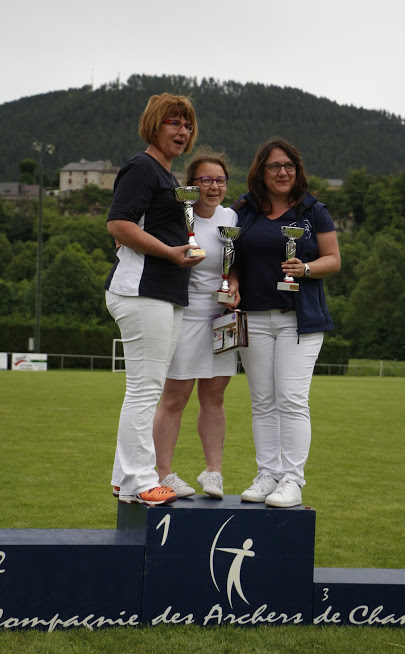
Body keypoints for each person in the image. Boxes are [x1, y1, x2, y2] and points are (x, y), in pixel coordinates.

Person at [105, 93, 205, 506]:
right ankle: (141, 482)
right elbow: (119, 225)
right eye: (173, 123)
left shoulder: (167, 176)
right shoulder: (142, 168)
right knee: (145, 391)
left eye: (186, 125)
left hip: (163, 293)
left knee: (145, 388)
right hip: (141, 290)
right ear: (153, 125)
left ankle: (124, 479)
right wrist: (168, 252)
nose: (181, 131)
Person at [230, 138, 341, 508]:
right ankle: (268, 474)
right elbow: (232, 259)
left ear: (298, 170)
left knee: (292, 400)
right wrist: (231, 282)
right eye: (274, 166)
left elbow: (333, 260)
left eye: (289, 166)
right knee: (262, 401)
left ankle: (292, 480)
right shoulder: (245, 210)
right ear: (261, 171)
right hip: (254, 319)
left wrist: (305, 268)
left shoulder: (313, 211)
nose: (282, 172)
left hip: (300, 320)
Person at [152, 148, 239, 499]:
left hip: (221, 318)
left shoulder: (232, 216)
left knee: (214, 398)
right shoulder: (174, 216)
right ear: (191, 185)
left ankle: (213, 473)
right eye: (205, 179)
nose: (213, 186)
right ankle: (164, 474)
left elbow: (235, 264)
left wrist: (234, 284)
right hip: (183, 313)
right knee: (175, 398)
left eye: (219, 180)